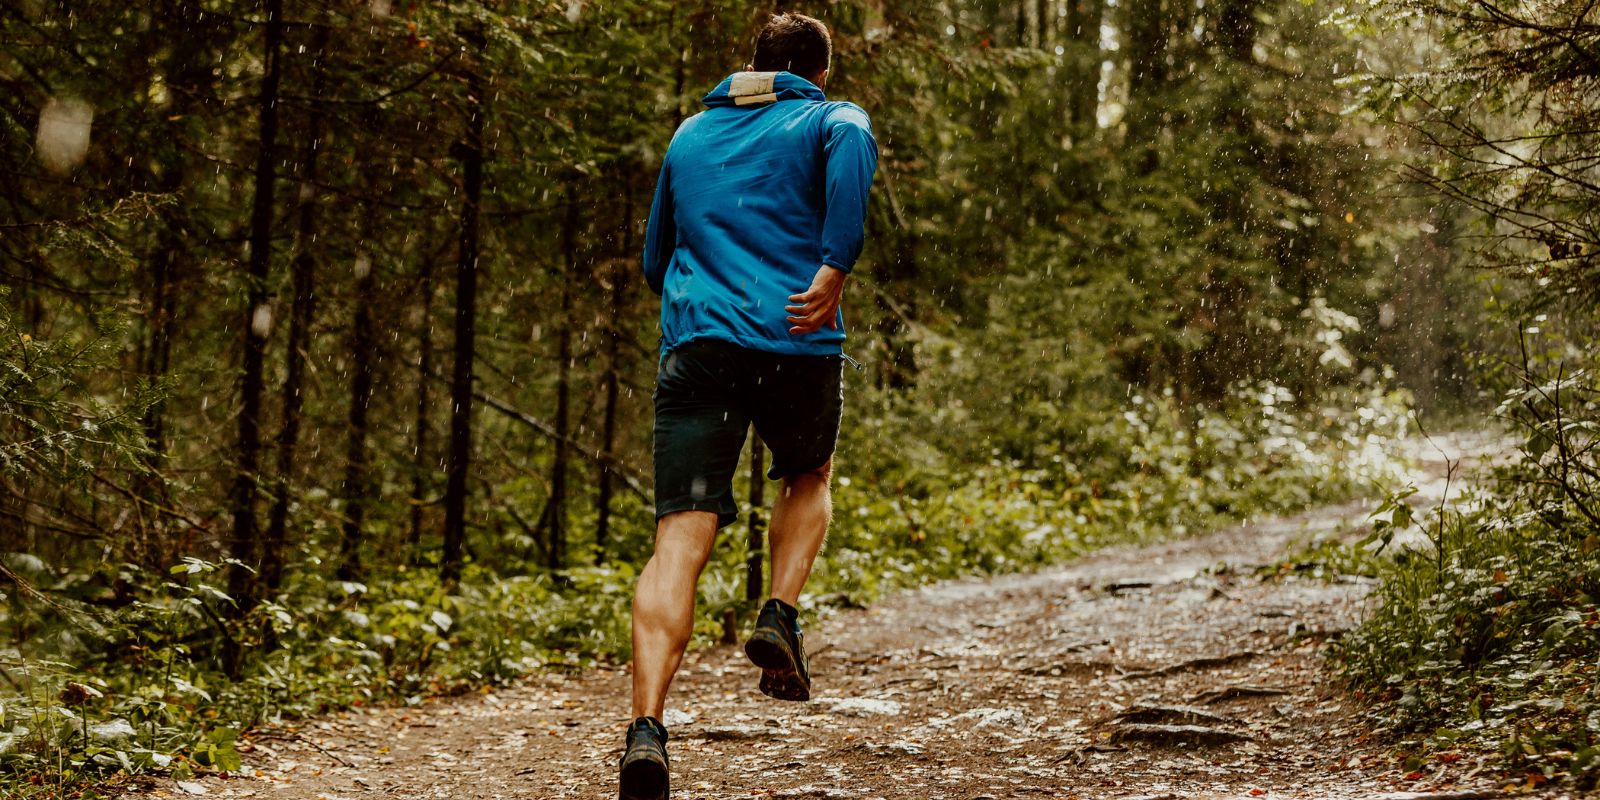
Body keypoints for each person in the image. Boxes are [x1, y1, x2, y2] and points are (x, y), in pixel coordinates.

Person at [618, 12, 878, 800]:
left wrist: (712, 301)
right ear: (818, 72)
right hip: (795, 343)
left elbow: (655, 260)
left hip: (700, 348)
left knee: (678, 537)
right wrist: (833, 266)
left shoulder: (689, 135)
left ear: (756, 66)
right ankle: (780, 613)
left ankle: (646, 729)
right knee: (808, 472)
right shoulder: (835, 117)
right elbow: (850, 158)